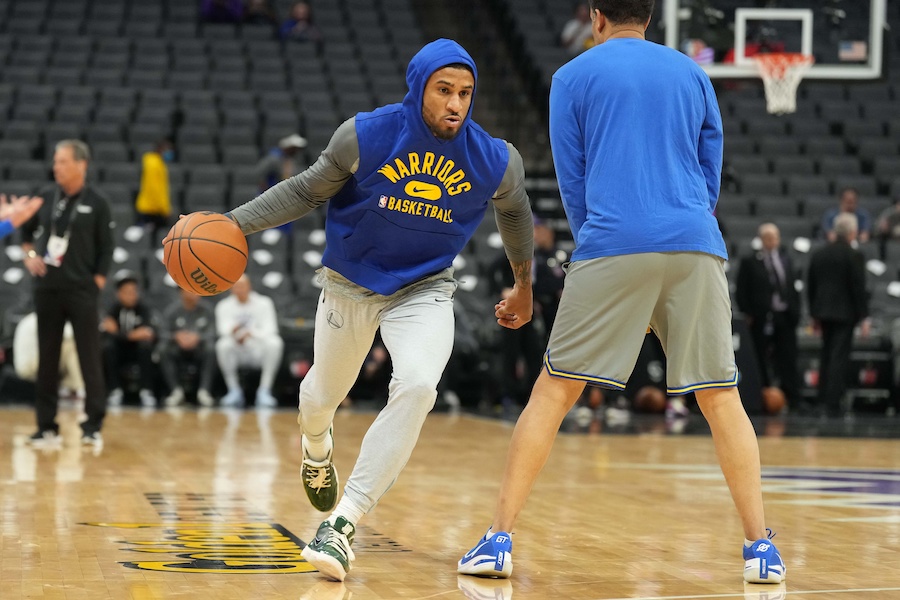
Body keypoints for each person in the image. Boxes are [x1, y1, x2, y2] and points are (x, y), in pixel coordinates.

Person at [458, 2, 784, 585]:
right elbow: (710, 165)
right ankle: (762, 550)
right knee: (721, 397)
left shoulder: (572, 75)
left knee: (553, 392)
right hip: (694, 241)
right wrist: (686, 220)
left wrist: (600, 242)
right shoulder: (692, 72)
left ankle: (497, 539)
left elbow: (573, 176)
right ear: (650, 17)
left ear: (596, 17)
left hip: (613, 240)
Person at [215, 38, 534, 581]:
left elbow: (516, 212)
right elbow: (305, 191)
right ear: (418, 87)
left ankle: (342, 523)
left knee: (419, 386)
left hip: (424, 288)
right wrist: (231, 224)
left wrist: (524, 283)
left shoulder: (495, 158)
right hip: (350, 282)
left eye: (465, 93)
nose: (455, 104)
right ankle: (317, 443)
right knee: (322, 397)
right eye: (443, 90)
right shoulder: (365, 135)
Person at [20, 139, 114, 448]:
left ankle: (92, 425)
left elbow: (107, 248)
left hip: (82, 290)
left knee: (89, 357)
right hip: (47, 288)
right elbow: (24, 232)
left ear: (81, 164)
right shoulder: (45, 196)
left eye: (62, 161)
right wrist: (29, 255)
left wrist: (97, 281)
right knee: (47, 358)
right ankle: (46, 426)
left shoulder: (98, 202)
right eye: (55, 161)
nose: (56, 167)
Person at [807, 212, 869, 418]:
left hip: (823, 312)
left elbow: (811, 285)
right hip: (845, 314)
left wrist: (813, 314)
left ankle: (822, 398)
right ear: (852, 232)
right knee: (838, 357)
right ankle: (833, 402)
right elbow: (858, 288)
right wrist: (864, 316)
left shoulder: (820, 254)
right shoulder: (854, 255)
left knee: (826, 355)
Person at [735, 223, 801, 408]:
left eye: (775, 237)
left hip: (784, 317)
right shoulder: (750, 262)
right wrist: (748, 313)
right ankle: (762, 395)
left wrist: (795, 312)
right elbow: (742, 290)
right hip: (760, 317)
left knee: (787, 357)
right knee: (759, 357)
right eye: (768, 237)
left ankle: (792, 397)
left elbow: (792, 289)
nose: (772, 241)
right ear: (761, 239)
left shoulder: (786, 260)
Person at [214, 274, 284, 408]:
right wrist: (236, 333)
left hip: (258, 349)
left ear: (249, 286)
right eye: (236, 287)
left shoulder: (264, 303)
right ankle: (233, 390)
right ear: (231, 289)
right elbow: (222, 330)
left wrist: (251, 333)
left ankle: (264, 390)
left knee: (275, 342)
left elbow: (271, 329)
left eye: (242, 286)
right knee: (222, 345)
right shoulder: (223, 305)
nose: (240, 289)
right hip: (237, 349)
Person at [102, 274, 158, 408]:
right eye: (127, 292)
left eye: (134, 292)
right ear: (118, 294)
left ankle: (146, 391)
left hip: (137, 350)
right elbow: (107, 330)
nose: (131, 296)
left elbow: (148, 333)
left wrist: (120, 334)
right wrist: (132, 335)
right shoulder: (113, 309)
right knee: (107, 347)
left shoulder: (143, 309)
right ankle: (115, 390)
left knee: (145, 347)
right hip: (119, 350)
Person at [159, 289, 217, 408]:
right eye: (191, 290)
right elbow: (163, 333)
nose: (194, 294)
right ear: (182, 292)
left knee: (211, 349)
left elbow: (213, 332)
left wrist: (198, 337)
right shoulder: (172, 310)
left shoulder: (207, 309)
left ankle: (204, 391)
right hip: (178, 347)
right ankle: (176, 391)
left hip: (199, 347)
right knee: (162, 349)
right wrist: (176, 336)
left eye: (197, 290)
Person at [13, 311, 84, 401]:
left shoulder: (29, 319)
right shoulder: (44, 318)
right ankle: (78, 387)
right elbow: (73, 333)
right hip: (31, 367)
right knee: (71, 346)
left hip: (23, 368)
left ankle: (69, 387)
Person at [134, 139, 174, 241]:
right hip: (151, 208)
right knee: (146, 238)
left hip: (154, 207)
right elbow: (154, 188)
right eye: (167, 150)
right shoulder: (153, 164)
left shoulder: (159, 163)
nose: (169, 153)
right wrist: (164, 208)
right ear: (160, 149)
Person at [874, 196, 900, 261]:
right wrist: (884, 228)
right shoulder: (888, 213)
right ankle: (882, 259)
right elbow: (878, 228)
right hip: (886, 237)